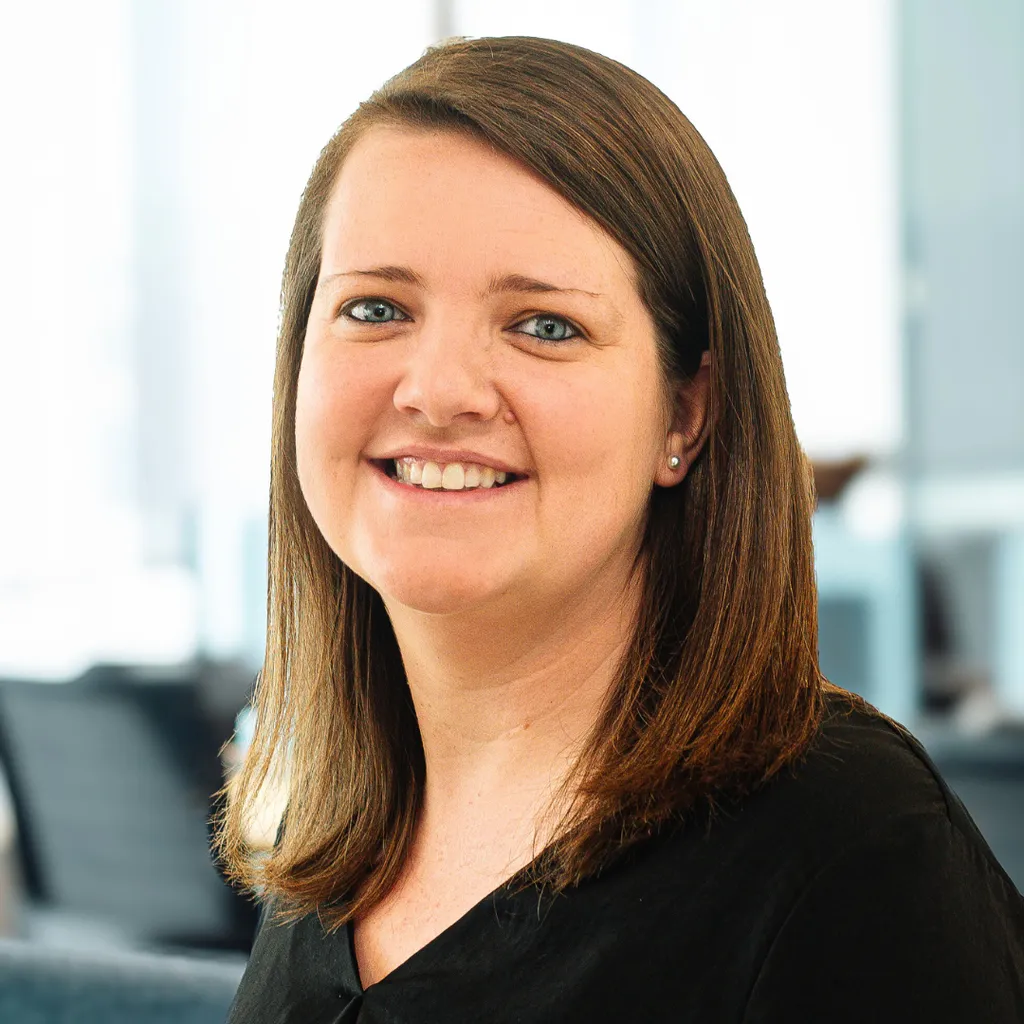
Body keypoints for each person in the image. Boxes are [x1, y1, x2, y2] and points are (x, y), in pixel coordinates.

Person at [219, 36, 1024, 1022]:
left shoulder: (850, 857)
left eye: (544, 324)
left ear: (684, 415)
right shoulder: (336, 838)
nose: (436, 391)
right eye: (376, 307)